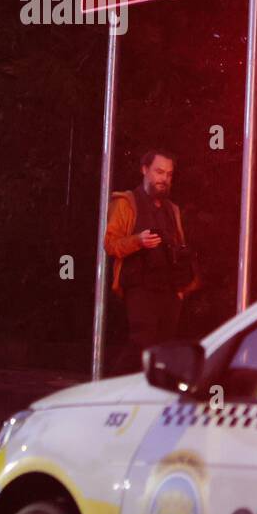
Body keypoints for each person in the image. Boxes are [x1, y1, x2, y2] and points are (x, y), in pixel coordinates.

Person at [103, 148, 200, 374]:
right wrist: (138, 241)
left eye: (168, 174)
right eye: (158, 172)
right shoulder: (127, 203)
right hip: (139, 286)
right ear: (144, 170)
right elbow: (110, 244)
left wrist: (182, 289)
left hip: (169, 289)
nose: (163, 179)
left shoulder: (171, 209)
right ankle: (111, 389)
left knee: (164, 346)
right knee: (143, 339)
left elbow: (181, 248)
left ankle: (149, 396)